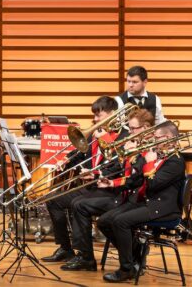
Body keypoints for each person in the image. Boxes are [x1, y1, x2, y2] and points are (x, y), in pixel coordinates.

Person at [62, 109, 153, 273]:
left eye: (133, 128)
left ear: (145, 128)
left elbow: (138, 176)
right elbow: (121, 168)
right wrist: (103, 177)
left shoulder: (150, 147)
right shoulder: (135, 142)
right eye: (130, 128)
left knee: (85, 208)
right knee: (78, 205)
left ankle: (132, 254)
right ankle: (88, 256)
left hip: (135, 199)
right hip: (122, 192)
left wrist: (113, 178)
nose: (130, 132)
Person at [98, 120, 186, 283]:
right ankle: (136, 254)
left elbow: (153, 184)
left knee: (120, 222)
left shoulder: (176, 161)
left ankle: (126, 269)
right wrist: (111, 183)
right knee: (104, 221)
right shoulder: (159, 155)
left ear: (168, 138)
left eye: (156, 138)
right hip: (147, 202)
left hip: (162, 208)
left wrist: (149, 162)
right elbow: (138, 180)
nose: (153, 141)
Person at [40, 96, 119, 264]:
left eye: (99, 115)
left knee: (78, 203)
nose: (95, 119)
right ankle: (65, 248)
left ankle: (85, 256)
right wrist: (66, 161)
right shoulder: (96, 133)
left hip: (111, 190)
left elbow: (119, 164)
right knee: (52, 199)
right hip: (92, 187)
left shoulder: (122, 135)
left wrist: (97, 172)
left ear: (112, 114)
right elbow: (80, 153)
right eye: (94, 115)